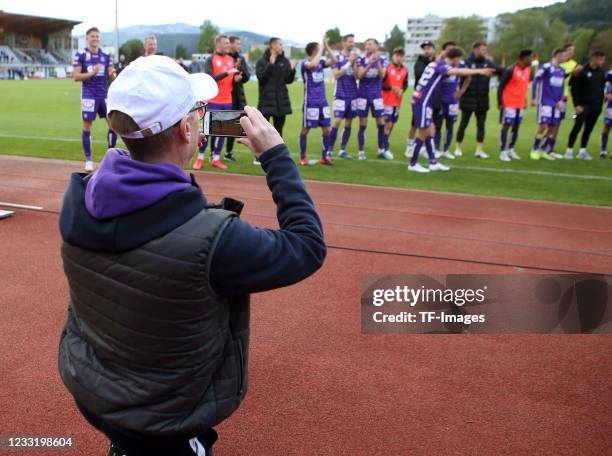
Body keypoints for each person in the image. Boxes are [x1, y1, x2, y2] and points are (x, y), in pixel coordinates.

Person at [57, 55, 326, 456]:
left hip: (103, 394)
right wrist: (276, 155)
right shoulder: (214, 239)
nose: (202, 119)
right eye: (198, 113)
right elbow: (306, 246)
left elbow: (162, 206)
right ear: (186, 128)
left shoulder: (78, 198)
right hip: (168, 422)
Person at [409, 47, 494, 173]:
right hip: (423, 101)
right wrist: (480, 71)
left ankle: (433, 162)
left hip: (424, 101)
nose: (460, 62)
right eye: (459, 60)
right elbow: (458, 71)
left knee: (430, 132)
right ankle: (413, 163)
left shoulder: (436, 63)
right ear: (455, 58)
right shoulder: (442, 66)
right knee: (423, 133)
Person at [72, 27, 117, 172]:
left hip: (104, 94)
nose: (95, 39)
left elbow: (111, 71)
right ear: (87, 38)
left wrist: (113, 73)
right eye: (93, 36)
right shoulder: (81, 55)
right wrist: (93, 72)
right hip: (89, 95)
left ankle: (111, 158)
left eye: (97, 36)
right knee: (87, 126)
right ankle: (89, 160)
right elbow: (76, 76)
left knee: (113, 124)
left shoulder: (105, 55)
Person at [194, 34, 240, 171]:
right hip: (213, 100)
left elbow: (232, 79)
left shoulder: (231, 60)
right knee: (207, 130)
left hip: (228, 100)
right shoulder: (211, 59)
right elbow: (210, 78)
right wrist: (227, 73)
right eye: (225, 43)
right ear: (218, 44)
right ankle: (200, 157)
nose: (228, 45)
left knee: (222, 131)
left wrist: (236, 79)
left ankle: (216, 158)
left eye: (228, 43)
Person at [454, 42, 503, 159]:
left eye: (485, 50)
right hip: (467, 99)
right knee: (463, 124)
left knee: (481, 125)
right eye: (482, 49)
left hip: (482, 100)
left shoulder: (487, 63)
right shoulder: (465, 62)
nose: (484, 52)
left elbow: (500, 70)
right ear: (475, 49)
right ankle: (458, 148)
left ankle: (479, 150)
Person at [299, 37, 337, 166]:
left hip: (323, 103)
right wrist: (321, 49)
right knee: (305, 129)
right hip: (310, 103)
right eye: (319, 48)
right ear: (314, 50)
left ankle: (324, 157)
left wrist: (326, 46)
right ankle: (303, 157)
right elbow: (313, 64)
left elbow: (335, 61)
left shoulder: (321, 62)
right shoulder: (305, 64)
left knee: (327, 129)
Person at [564, 50, 607, 160]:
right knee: (577, 127)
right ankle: (569, 150)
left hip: (596, 106)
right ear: (594, 58)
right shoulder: (581, 71)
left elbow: (602, 88)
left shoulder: (602, 73)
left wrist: (601, 102)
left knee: (589, 129)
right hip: (583, 106)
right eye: (601, 59)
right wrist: (576, 105)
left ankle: (583, 151)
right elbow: (574, 89)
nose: (602, 61)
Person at [433, 41, 470, 160]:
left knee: (450, 125)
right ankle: (436, 149)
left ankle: (446, 150)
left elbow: (468, 76)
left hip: (453, 100)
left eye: (453, 49)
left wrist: (461, 92)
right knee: (437, 125)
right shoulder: (440, 64)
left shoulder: (461, 64)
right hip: (439, 99)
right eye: (448, 49)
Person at [256, 38, 297, 144]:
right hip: (266, 102)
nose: (282, 46)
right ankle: (259, 156)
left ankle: (277, 156)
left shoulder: (285, 61)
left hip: (281, 103)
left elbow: (288, 80)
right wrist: (270, 64)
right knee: (263, 131)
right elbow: (261, 78)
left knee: (278, 131)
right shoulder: (261, 61)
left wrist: (292, 70)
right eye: (280, 44)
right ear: (273, 46)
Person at [529, 47, 567, 160]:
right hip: (545, 102)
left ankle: (543, 150)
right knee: (543, 126)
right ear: (557, 55)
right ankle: (535, 149)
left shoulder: (562, 70)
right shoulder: (546, 67)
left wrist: (561, 100)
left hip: (556, 104)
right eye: (563, 55)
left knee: (553, 128)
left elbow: (562, 87)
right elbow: (536, 81)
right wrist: (534, 97)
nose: (565, 57)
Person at [497, 49, 534, 161]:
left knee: (517, 126)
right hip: (509, 103)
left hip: (520, 104)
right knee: (506, 126)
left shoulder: (528, 70)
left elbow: (524, 86)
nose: (532, 60)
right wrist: (500, 102)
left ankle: (511, 149)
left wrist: (525, 100)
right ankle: (503, 151)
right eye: (530, 58)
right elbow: (500, 87)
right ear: (523, 58)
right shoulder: (510, 69)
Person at [356, 38, 389, 160]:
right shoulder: (361, 59)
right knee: (362, 124)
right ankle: (361, 151)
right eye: (366, 44)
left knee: (381, 123)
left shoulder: (384, 59)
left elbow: (382, 75)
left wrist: (378, 61)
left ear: (376, 46)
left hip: (376, 96)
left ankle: (381, 149)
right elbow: (359, 75)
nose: (367, 46)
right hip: (363, 95)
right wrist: (370, 64)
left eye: (370, 44)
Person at [328, 34, 359, 160]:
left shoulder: (355, 58)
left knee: (349, 123)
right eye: (350, 42)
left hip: (353, 94)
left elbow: (357, 76)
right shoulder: (336, 58)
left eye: (353, 42)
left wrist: (354, 63)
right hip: (340, 94)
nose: (352, 44)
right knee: (337, 121)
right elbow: (336, 75)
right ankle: (329, 150)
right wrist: (349, 63)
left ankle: (342, 150)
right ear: (344, 43)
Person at [405, 41, 436, 157]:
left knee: (430, 124)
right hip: (420, 98)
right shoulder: (419, 62)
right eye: (425, 48)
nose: (426, 50)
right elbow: (420, 73)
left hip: (432, 98)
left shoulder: (437, 61)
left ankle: (426, 148)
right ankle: (409, 146)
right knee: (415, 124)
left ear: (433, 49)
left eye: (429, 48)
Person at [225, 36, 251, 162]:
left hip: (239, 96)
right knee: (222, 124)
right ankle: (215, 153)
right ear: (230, 44)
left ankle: (228, 152)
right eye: (237, 43)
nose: (239, 45)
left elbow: (247, 75)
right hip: (226, 96)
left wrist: (242, 75)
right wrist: (233, 77)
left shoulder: (241, 58)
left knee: (235, 125)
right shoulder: (225, 58)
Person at [381, 47, 408, 157]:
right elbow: (381, 84)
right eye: (397, 55)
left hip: (397, 102)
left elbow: (405, 84)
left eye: (401, 56)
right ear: (393, 56)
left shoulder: (405, 70)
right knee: (387, 124)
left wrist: (402, 90)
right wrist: (392, 88)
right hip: (386, 101)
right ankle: (385, 148)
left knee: (392, 124)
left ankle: (385, 141)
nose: (399, 58)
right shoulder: (387, 68)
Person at [600, 70, 612, 159]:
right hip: (610, 106)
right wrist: (606, 95)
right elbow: (604, 83)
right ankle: (603, 151)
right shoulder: (609, 74)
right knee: (606, 127)